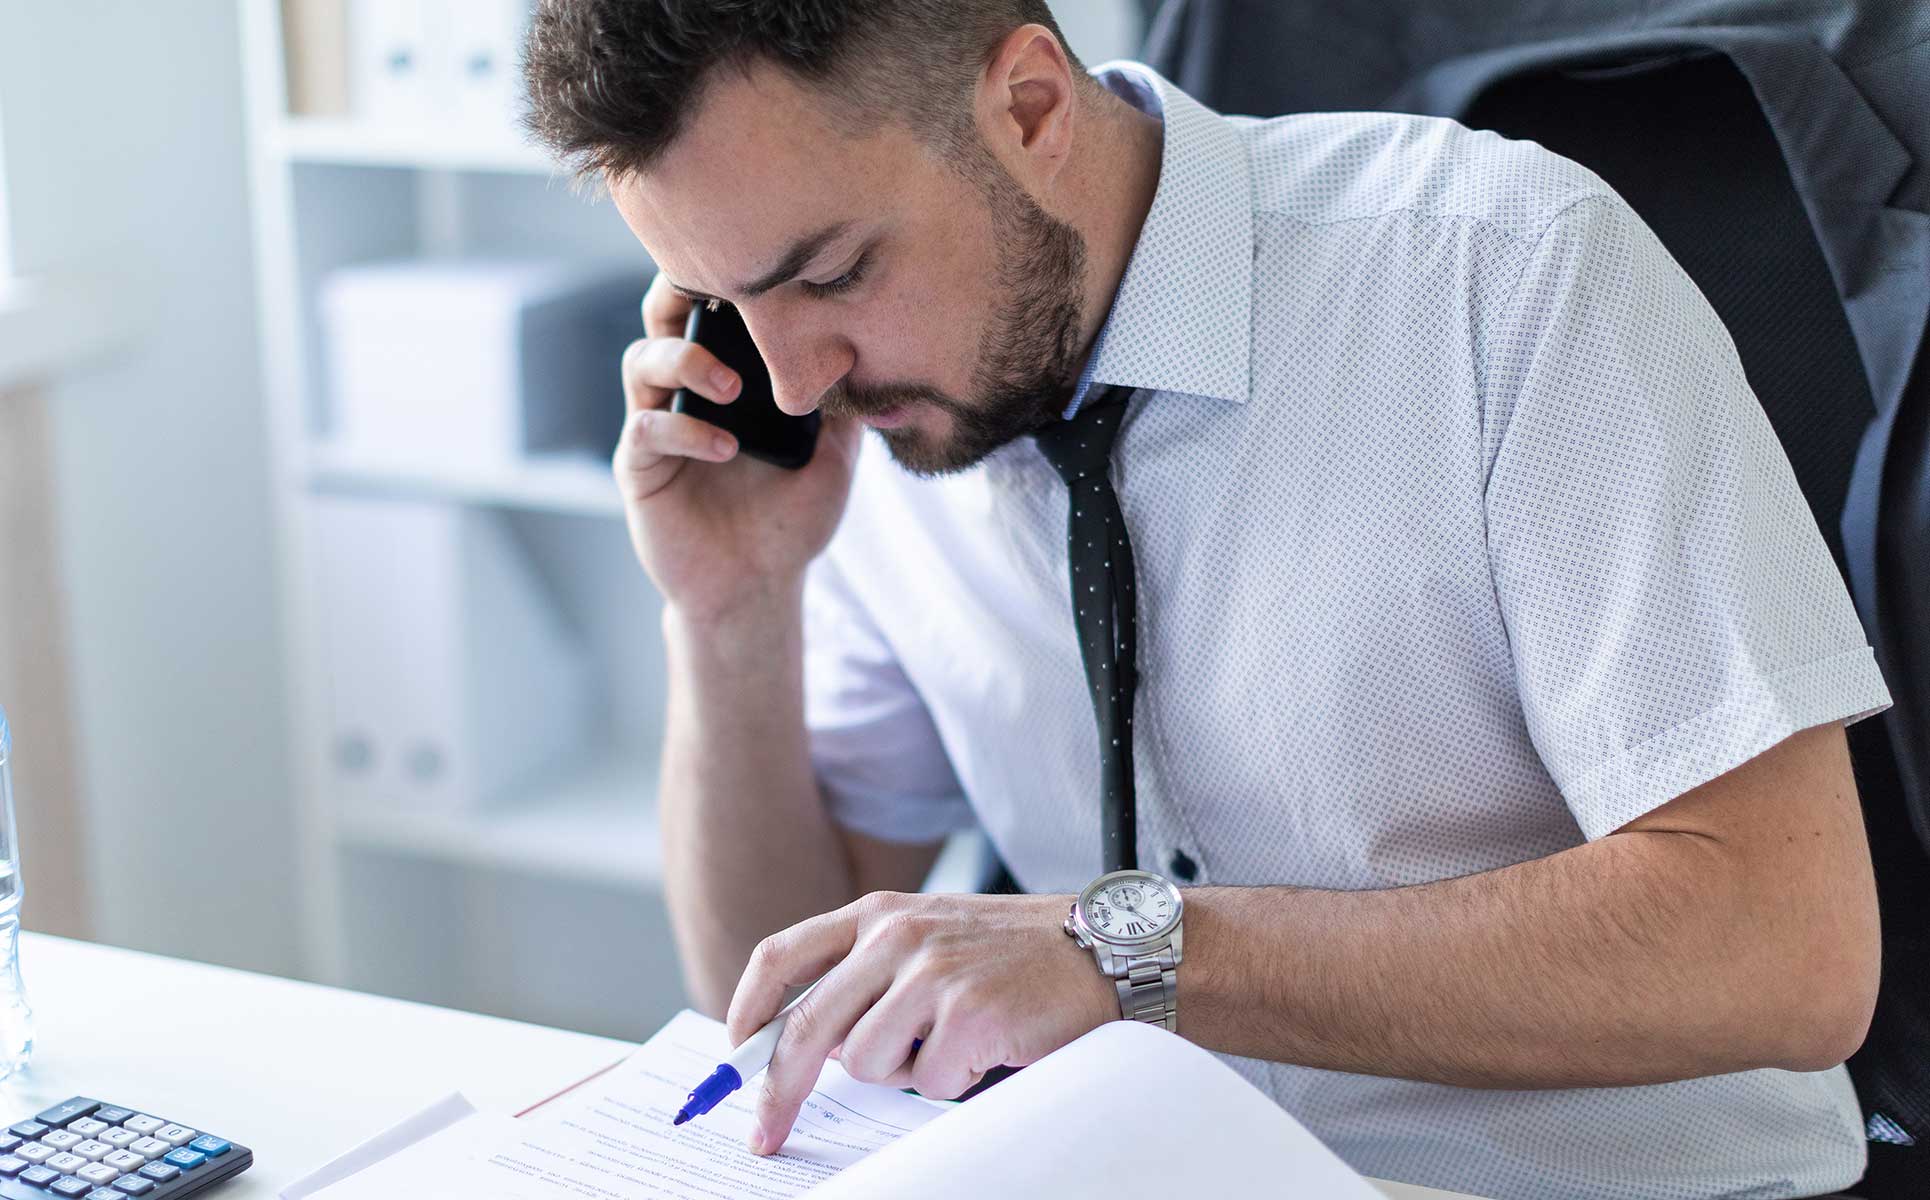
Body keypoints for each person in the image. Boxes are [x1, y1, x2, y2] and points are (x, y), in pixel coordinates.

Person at [521, 3, 1893, 1196]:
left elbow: (1786, 951)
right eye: (725, 302)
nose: (797, 379)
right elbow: (773, 997)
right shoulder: (871, 427)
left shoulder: (1500, 268)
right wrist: (731, 611)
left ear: (1029, 106)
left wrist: (1131, 952)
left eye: (830, 274)